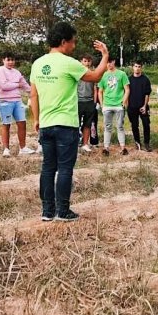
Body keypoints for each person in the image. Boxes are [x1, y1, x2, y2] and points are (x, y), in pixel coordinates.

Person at [30, 21, 109, 222]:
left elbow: (34, 95)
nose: (74, 46)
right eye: (73, 42)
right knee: (65, 168)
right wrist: (105, 56)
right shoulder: (69, 63)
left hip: (46, 124)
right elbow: (97, 76)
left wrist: (37, 119)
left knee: (48, 167)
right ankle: (63, 211)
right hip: (65, 124)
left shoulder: (38, 64)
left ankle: (47, 211)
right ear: (64, 42)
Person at [0, 52, 35, 157]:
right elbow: (4, 86)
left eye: (12, 60)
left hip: (17, 101)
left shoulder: (17, 72)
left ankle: (23, 148)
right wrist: (17, 85)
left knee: (22, 123)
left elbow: (25, 85)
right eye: (8, 60)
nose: (11, 62)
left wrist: (34, 92)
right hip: (4, 101)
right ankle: (6, 149)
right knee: (6, 124)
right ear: (3, 60)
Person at [98, 58, 130, 156]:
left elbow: (127, 89)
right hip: (107, 105)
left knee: (120, 126)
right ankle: (106, 148)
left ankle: (123, 148)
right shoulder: (103, 75)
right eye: (107, 62)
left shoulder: (122, 74)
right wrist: (102, 104)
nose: (108, 64)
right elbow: (100, 91)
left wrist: (123, 102)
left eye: (110, 62)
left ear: (113, 62)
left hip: (118, 105)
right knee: (107, 127)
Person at [127, 61, 152, 152]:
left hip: (143, 107)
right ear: (132, 67)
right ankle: (137, 143)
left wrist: (144, 106)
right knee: (134, 126)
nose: (137, 68)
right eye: (135, 66)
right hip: (132, 107)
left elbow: (147, 94)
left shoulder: (145, 79)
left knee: (146, 125)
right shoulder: (128, 79)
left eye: (139, 66)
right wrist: (126, 105)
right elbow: (126, 92)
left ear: (141, 68)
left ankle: (147, 144)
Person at [77, 54, 98, 153]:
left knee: (87, 124)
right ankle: (75, 143)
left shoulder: (93, 73)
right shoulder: (77, 73)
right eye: (85, 61)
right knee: (75, 124)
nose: (87, 63)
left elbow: (95, 89)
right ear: (81, 61)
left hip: (89, 102)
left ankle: (85, 144)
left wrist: (94, 103)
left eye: (89, 61)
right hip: (78, 101)